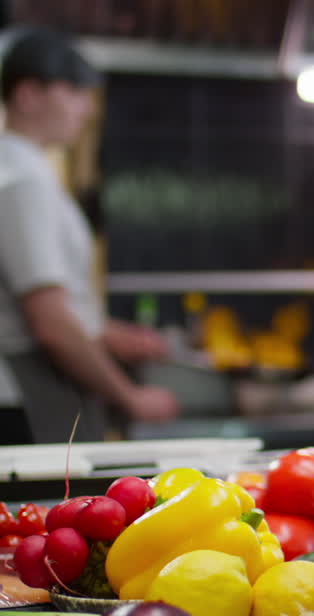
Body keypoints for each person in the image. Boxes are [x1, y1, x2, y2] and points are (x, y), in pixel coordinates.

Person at [0, 27, 177, 444]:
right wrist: (131, 396)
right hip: (30, 394)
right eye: (74, 92)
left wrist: (108, 332)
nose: (86, 110)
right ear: (28, 94)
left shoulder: (28, 171)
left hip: (39, 387)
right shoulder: (21, 178)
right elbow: (49, 323)